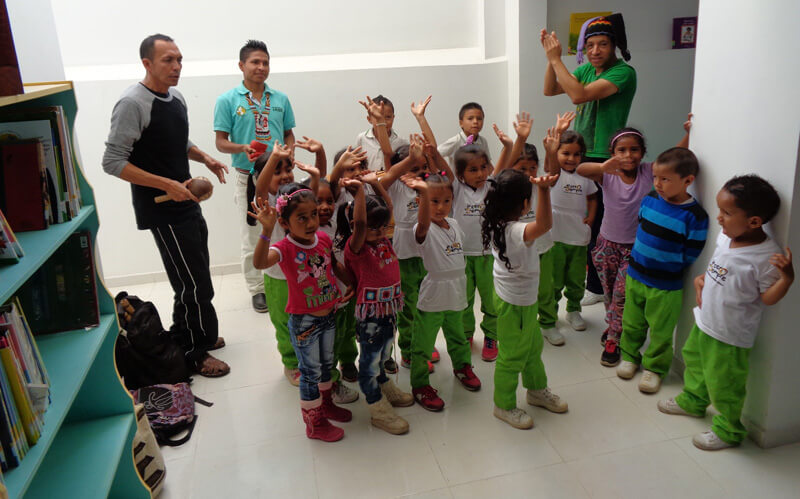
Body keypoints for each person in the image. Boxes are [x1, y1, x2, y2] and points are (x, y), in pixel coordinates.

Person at [102, 33, 230, 378]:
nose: (176, 67)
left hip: (186, 201)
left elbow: (175, 140)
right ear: (147, 63)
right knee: (191, 283)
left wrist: (204, 157)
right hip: (161, 208)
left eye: (179, 60)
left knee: (197, 274)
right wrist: (166, 185)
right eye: (168, 60)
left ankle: (198, 332)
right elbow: (113, 161)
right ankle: (193, 352)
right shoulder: (132, 103)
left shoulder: (175, 97)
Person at [659, 175, 794, 451]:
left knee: (725, 383)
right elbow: (720, 268)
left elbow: (766, 298)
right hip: (705, 320)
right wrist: (702, 282)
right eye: (720, 210)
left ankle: (729, 429)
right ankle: (693, 402)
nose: (719, 218)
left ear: (754, 221)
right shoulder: (727, 237)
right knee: (694, 360)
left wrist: (786, 280)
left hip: (730, 335)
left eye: (727, 213)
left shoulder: (766, 257)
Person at [541, 13, 637, 308]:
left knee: (599, 225)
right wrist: (550, 57)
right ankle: (581, 277)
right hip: (578, 156)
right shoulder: (585, 71)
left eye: (603, 44)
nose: (595, 51)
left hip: (604, 158)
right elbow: (550, 89)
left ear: (614, 46)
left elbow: (578, 96)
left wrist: (558, 59)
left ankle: (596, 286)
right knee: (578, 220)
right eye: (591, 45)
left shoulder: (623, 72)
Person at [251, 183, 354, 442]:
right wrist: (265, 230)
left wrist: (352, 282)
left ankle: (326, 404)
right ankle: (315, 424)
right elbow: (260, 263)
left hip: (329, 315)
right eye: (301, 218)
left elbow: (334, 264)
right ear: (285, 224)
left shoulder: (324, 239)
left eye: (313, 215)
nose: (310, 222)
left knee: (326, 366)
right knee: (309, 373)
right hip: (304, 323)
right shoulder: (284, 248)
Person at [214, 40, 297, 313]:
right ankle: (257, 289)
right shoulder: (227, 100)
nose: (261, 67)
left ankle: (286, 278)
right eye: (255, 62)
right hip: (247, 177)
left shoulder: (281, 99)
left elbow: (288, 134)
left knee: (285, 227)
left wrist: (290, 152)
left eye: (265, 62)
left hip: (280, 178)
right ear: (242, 66)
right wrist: (242, 148)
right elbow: (220, 142)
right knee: (252, 234)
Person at [616, 147, 708, 393]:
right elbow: (641, 227)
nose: (658, 183)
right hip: (635, 275)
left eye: (665, 179)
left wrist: (670, 266)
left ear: (688, 180)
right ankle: (629, 356)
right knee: (632, 321)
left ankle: (654, 369)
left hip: (666, 285)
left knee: (660, 330)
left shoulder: (695, 216)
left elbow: (692, 251)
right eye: (656, 177)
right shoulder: (650, 199)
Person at [481, 169, 568, 429]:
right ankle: (503, 404)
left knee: (532, 349)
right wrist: (544, 190)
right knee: (511, 356)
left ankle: (536, 390)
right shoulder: (516, 231)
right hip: (514, 305)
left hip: (522, 301)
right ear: (524, 204)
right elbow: (545, 225)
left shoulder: (495, 221)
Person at [338, 178, 414, 435]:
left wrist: (376, 185)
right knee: (369, 363)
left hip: (388, 310)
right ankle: (376, 407)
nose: (381, 232)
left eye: (383, 227)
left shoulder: (381, 239)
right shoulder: (356, 247)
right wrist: (359, 192)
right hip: (370, 315)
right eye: (375, 228)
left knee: (384, 353)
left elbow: (389, 207)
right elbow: (360, 224)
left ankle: (384, 384)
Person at [402, 173, 481, 411]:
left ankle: (462, 367)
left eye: (446, 201)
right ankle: (420, 385)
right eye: (433, 201)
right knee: (423, 343)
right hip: (434, 294)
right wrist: (424, 193)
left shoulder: (455, 224)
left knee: (457, 335)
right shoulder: (421, 228)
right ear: (422, 203)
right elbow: (425, 222)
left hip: (456, 291)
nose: (440, 207)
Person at [576, 128, 652, 367]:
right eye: (622, 150)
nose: (628, 155)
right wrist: (602, 167)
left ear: (643, 153)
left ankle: (614, 338)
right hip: (606, 244)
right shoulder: (607, 174)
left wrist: (690, 133)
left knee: (622, 294)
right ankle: (614, 325)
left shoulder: (649, 172)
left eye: (634, 150)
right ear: (612, 153)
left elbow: (674, 158)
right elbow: (580, 169)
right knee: (609, 293)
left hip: (634, 247)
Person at [252, 144, 322, 386]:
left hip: (304, 274)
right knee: (284, 322)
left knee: (307, 319)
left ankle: (310, 356)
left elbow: (315, 188)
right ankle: (291, 363)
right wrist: (273, 157)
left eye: (288, 169)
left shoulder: (295, 194)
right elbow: (260, 187)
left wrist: (317, 163)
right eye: (276, 171)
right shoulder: (268, 202)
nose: (284, 175)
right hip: (278, 277)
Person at [542, 121, 599, 334]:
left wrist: (591, 217)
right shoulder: (554, 173)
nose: (571, 158)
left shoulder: (585, 175)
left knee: (576, 278)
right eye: (566, 153)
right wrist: (557, 134)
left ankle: (574, 309)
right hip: (555, 235)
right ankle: (551, 312)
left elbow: (593, 198)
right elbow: (550, 166)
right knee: (554, 279)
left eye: (576, 154)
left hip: (578, 236)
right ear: (557, 153)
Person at [354, 94, 408, 171]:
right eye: (377, 117)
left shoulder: (402, 142)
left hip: (392, 182)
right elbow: (358, 164)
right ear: (369, 119)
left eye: (388, 117)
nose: (383, 121)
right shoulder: (361, 138)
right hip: (368, 182)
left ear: (393, 117)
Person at [438, 102, 493, 168]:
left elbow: (488, 164)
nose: (475, 121)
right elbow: (436, 155)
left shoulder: (483, 141)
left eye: (479, 118)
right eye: (470, 118)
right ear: (461, 123)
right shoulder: (456, 141)